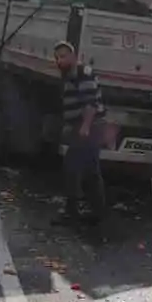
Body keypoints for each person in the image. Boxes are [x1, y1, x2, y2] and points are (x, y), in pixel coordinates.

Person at [53, 41, 106, 227]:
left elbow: (90, 104)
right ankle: (96, 211)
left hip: (89, 128)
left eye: (64, 56)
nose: (60, 60)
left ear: (74, 57)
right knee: (91, 170)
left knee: (72, 167)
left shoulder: (83, 74)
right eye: (57, 57)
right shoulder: (70, 75)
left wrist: (85, 127)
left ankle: (72, 211)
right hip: (83, 127)